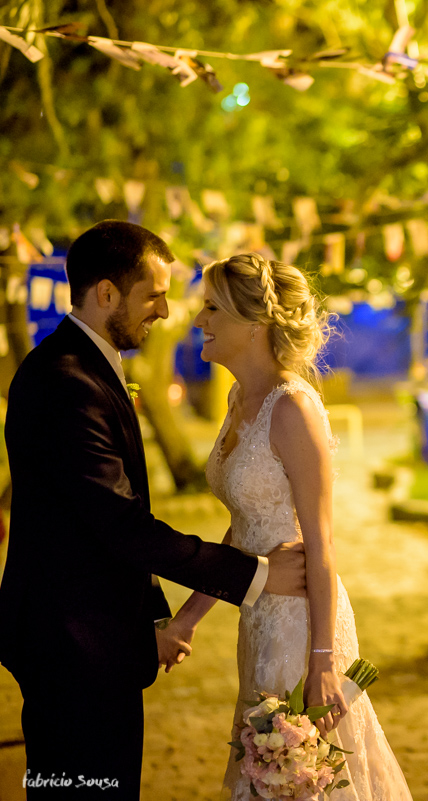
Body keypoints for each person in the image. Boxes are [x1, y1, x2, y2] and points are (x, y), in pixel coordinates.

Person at [0, 221, 308, 799]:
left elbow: (101, 526)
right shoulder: (67, 381)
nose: (167, 312)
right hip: (72, 645)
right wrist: (255, 575)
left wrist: (154, 623)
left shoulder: (85, 368)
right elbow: (118, 523)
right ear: (107, 293)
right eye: (154, 295)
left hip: (92, 636)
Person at [156, 252, 411, 800]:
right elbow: (243, 529)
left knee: (300, 770)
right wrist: (188, 620)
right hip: (256, 616)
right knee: (268, 764)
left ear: (254, 324)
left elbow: (321, 545)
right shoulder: (237, 399)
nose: (197, 320)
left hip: (301, 623)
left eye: (211, 308)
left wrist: (323, 663)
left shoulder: (293, 408)